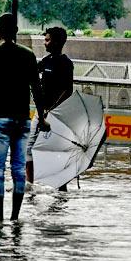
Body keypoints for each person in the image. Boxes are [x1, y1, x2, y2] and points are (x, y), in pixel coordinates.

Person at [0, 13, 41, 222]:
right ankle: (15, 217)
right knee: (18, 169)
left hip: (1, 118)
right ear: (16, 31)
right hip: (22, 119)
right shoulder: (28, 55)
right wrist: (41, 115)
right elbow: (36, 88)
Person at [26, 26, 75, 186]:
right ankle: (29, 184)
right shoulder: (45, 62)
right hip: (41, 112)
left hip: (57, 115)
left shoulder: (66, 64)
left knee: (57, 151)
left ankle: (61, 186)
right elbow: (32, 78)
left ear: (57, 42)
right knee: (29, 148)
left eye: (47, 39)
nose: (44, 43)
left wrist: (52, 109)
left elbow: (67, 90)